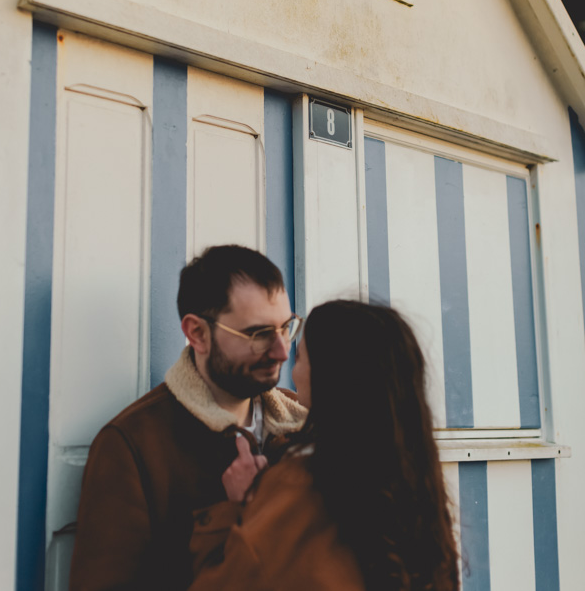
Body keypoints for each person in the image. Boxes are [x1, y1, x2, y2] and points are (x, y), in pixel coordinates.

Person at [69, 245, 307, 591]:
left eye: (287, 327)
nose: (282, 350)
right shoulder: (132, 444)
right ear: (197, 333)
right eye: (259, 335)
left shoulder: (305, 423)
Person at [187, 300, 460, 591]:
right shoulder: (415, 477)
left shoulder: (299, 484)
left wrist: (238, 507)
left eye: (300, 357)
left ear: (330, 377)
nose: (288, 369)